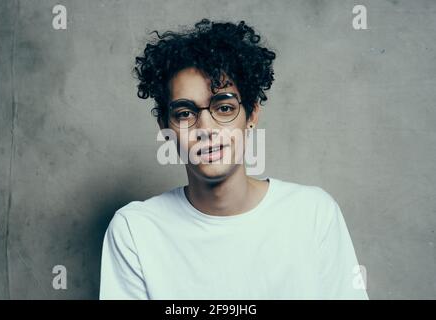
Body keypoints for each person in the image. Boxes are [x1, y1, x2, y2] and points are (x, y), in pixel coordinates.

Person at [99, 18, 369, 300]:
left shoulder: (313, 213)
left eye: (224, 108)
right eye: (184, 113)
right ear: (165, 128)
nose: (206, 130)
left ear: (251, 114)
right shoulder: (135, 230)